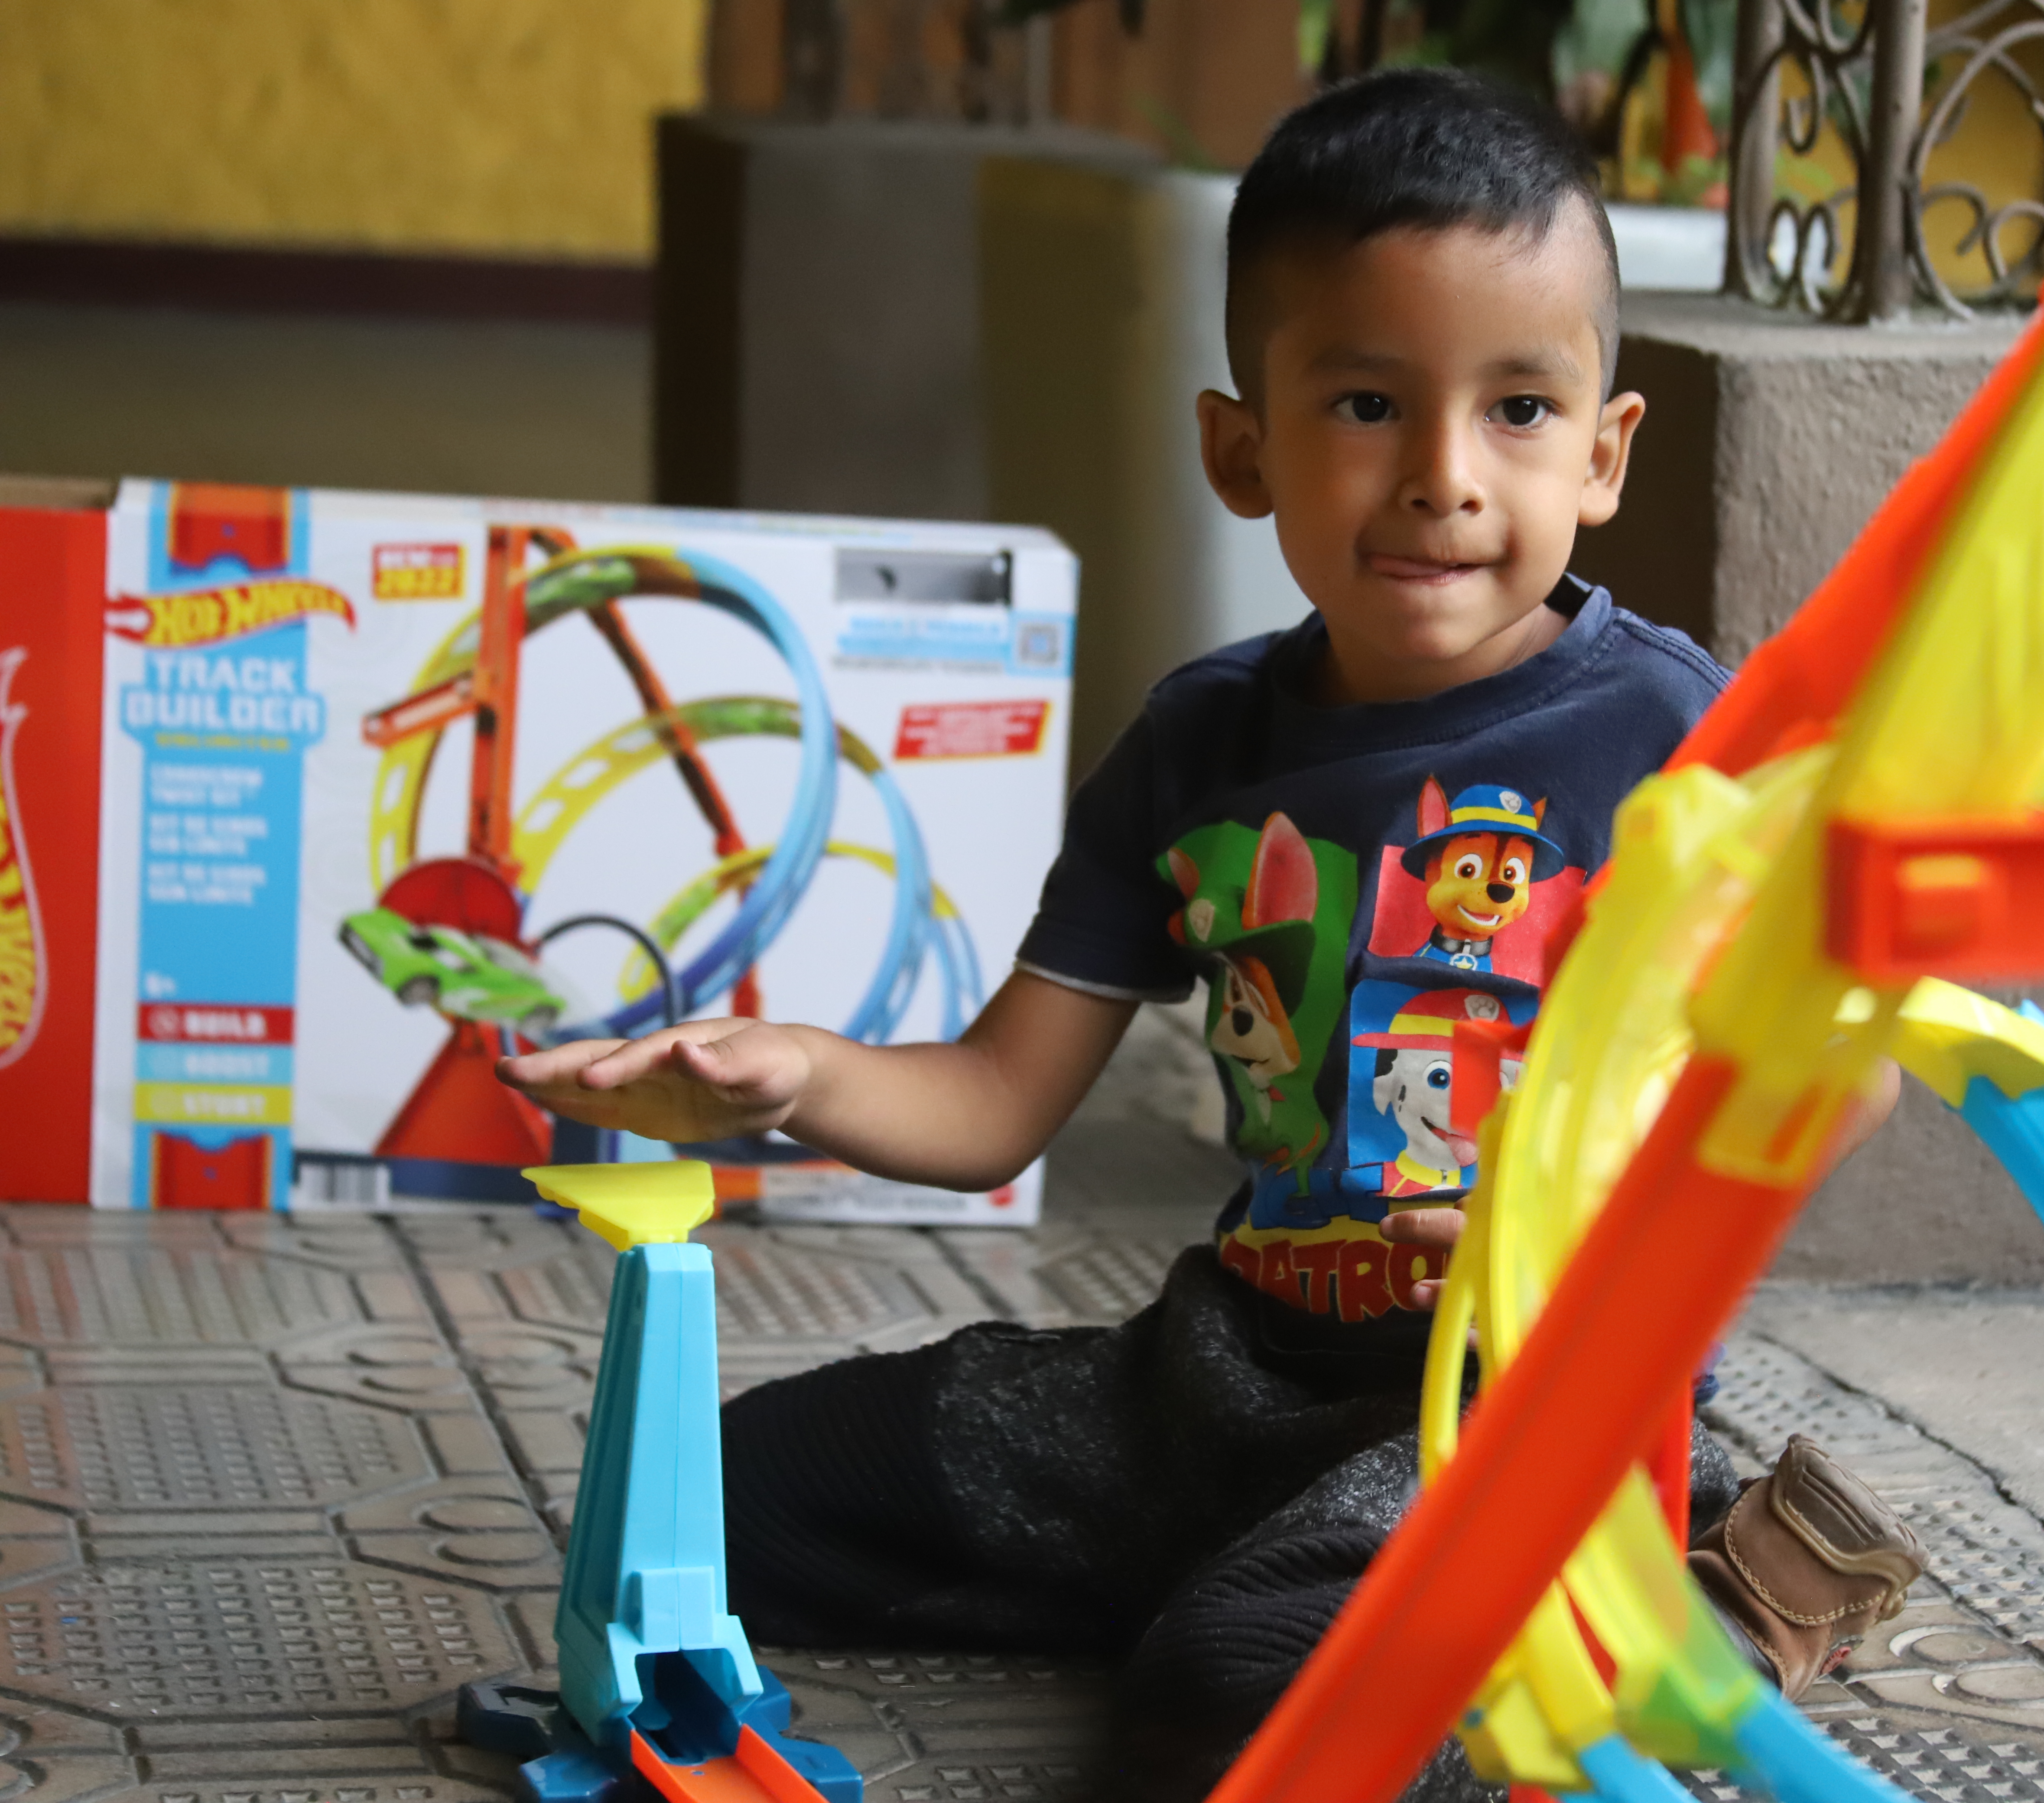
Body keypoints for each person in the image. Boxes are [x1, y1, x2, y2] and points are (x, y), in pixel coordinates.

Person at [498, 67, 1922, 1801]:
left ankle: (1670, 1583)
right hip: (1224, 1375)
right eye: (1371, 402)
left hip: (1526, 1415)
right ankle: (1316, 1587)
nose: (1446, 478)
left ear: (1607, 452)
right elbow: (994, 1099)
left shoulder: (1671, 742)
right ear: (1243, 448)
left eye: (1523, 408)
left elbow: (1850, 1069)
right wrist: (790, 1070)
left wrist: (1600, 1198)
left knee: (1227, 1696)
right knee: (726, 1496)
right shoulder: (1198, 744)